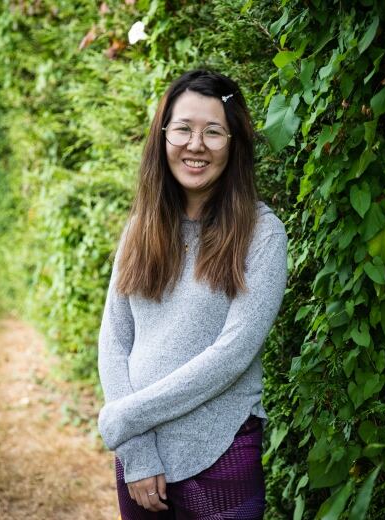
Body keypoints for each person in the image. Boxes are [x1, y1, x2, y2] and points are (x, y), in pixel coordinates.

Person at [96, 69, 288, 519]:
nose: (195, 144)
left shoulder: (262, 234)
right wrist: (137, 447)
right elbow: (114, 340)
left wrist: (126, 418)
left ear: (234, 143)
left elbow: (232, 354)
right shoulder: (140, 228)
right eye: (183, 128)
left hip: (221, 452)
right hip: (140, 457)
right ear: (163, 137)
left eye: (213, 132)